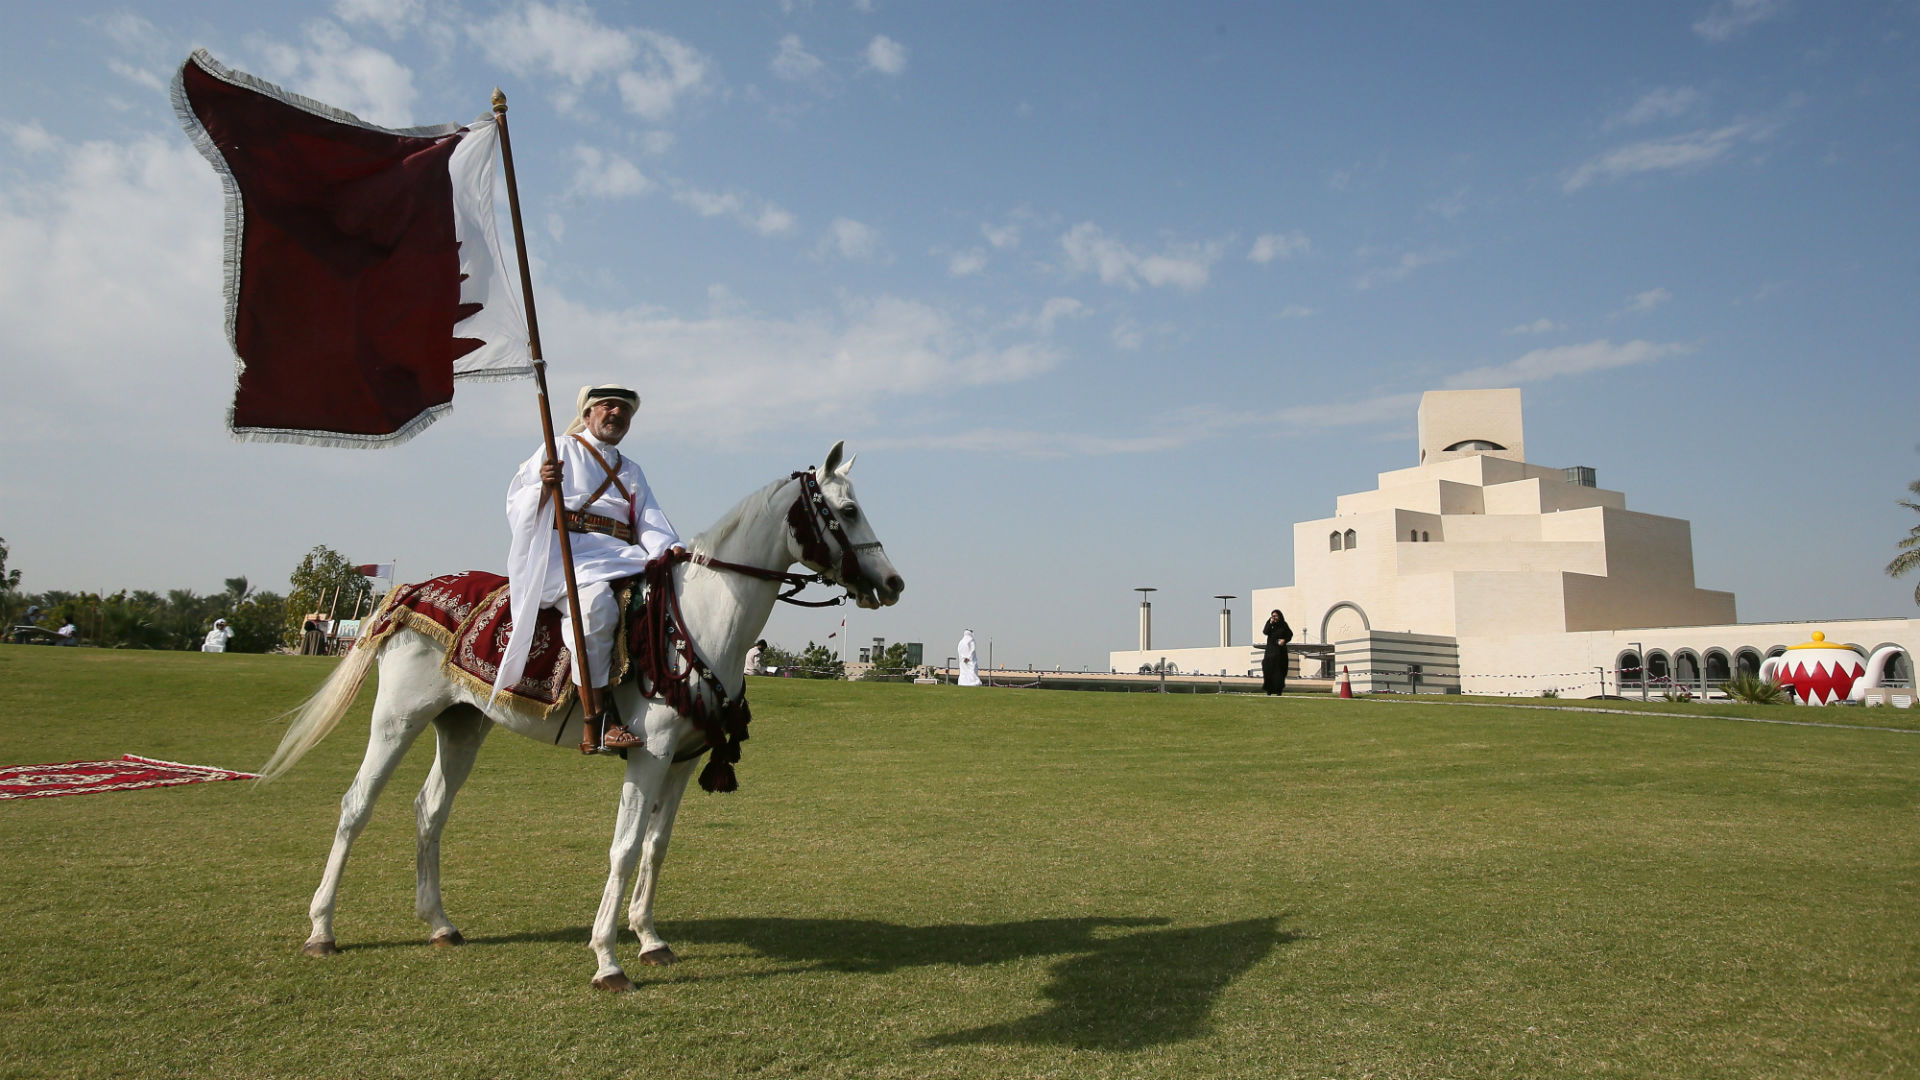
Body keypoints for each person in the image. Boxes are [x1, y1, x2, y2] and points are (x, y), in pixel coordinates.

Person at [498, 384, 683, 755]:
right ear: (587, 415)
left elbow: (649, 519)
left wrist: (671, 548)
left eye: (624, 411)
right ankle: (597, 723)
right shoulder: (560, 448)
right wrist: (544, 488)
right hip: (568, 554)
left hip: (621, 554)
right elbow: (516, 502)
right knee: (597, 606)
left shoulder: (630, 469)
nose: (616, 414)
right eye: (608, 407)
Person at [1261, 609, 1293, 696]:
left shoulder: (1283, 625)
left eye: (1275, 616)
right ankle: (1269, 690)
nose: (1274, 618)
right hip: (1270, 652)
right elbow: (1265, 632)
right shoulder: (1270, 624)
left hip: (1280, 653)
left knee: (1279, 672)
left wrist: (1284, 640)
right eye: (1273, 616)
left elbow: (1290, 634)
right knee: (1268, 671)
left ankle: (1279, 690)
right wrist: (1270, 623)